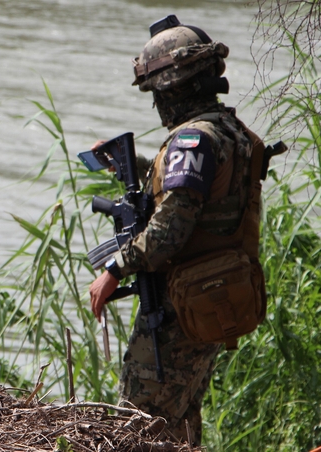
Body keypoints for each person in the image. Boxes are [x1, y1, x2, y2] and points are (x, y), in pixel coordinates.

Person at [88, 15, 263, 445]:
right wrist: (131, 167)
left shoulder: (193, 140)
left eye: (156, 93)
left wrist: (114, 268)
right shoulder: (229, 131)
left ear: (172, 88)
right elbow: (197, 194)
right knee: (181, 425)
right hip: (210, 293)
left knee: (138, 423)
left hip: (182, 306)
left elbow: (171, 227)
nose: (157, 104)